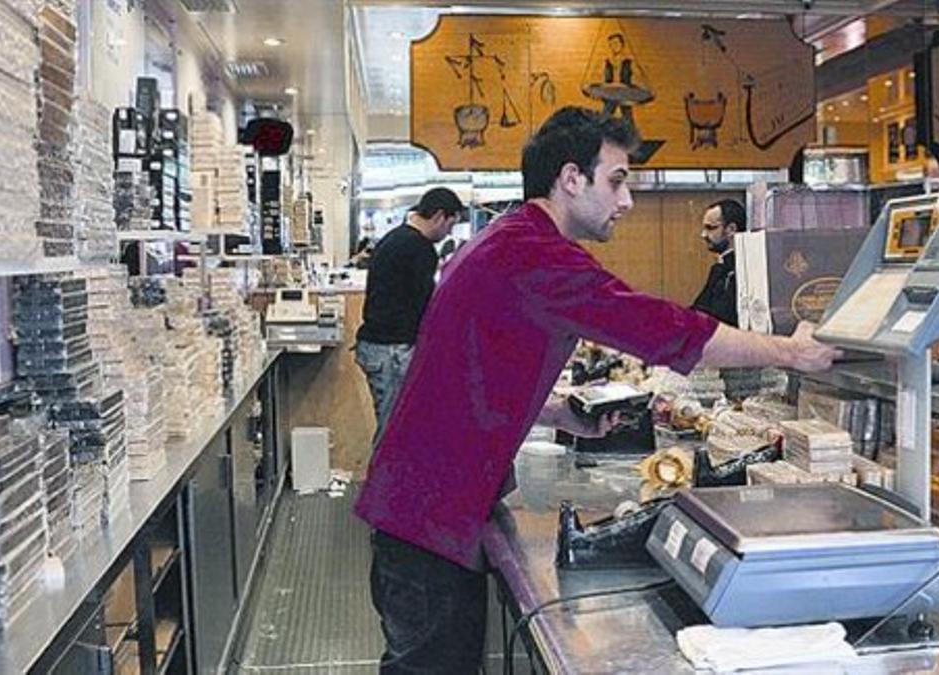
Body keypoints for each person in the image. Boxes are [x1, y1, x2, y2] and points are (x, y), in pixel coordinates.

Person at [354, 106, 840, 674]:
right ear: (570, 179)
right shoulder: (534, 253)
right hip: (430, 519)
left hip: (422, 507)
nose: (626, 200)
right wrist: (789, 351)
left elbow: (469, 372)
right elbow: (660, 329)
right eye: (616, 180)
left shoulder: (505, 241)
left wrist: (558, 411)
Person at [354, 187, 464, 446]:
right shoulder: (419, 248)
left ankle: (389, 485)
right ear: (438, 216)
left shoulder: (395, 239)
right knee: (395, 432)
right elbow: (427, 305)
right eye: (450, 224)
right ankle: (384, 486)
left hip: (377, 346)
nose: (448, 233)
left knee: (393, 425)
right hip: (391, 350)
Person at [691, 198, 746, 326]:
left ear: (731, 229)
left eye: (710, 228)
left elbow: (721, 317)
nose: (703, 234)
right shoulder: (719, 268)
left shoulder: (742, 270)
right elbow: (700, 309)